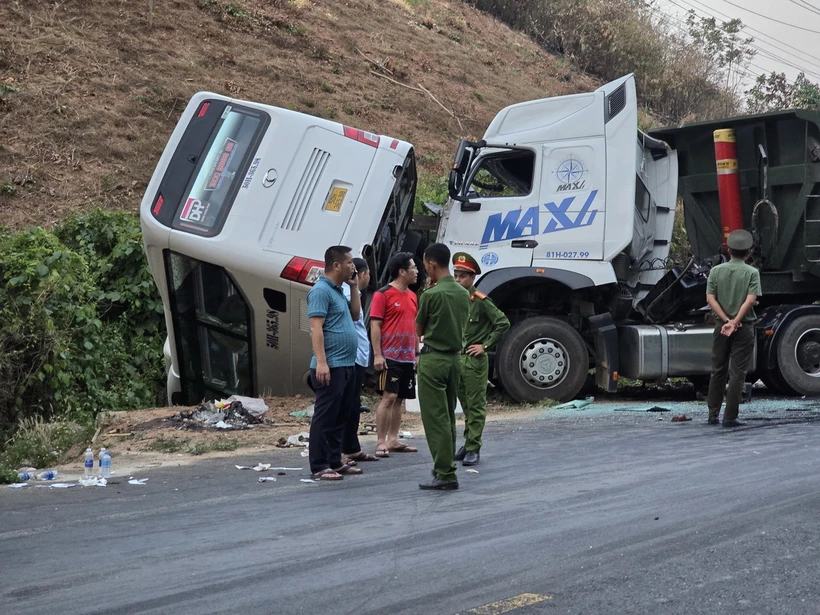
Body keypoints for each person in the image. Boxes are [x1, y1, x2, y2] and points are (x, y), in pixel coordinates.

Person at [415, 243, 470, 490]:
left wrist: (426, 294)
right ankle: (445, 466)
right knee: (448, 416)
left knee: (435, 418)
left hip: (433, 359)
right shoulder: (462, 292)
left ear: (431, 264)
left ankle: (445, 473)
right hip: (455, 360)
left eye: (425, 263)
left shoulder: (430, 295)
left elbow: (418, 330)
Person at [306, 245, 363, 480]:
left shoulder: (339, 290)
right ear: (336, 265)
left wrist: (355, 287)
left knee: (342, 415)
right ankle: (319, 466)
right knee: (325, 416)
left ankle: (334, 461)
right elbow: (315, 327)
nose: (353, 266)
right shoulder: (321, 290)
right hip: (331, 364)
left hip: (347, 364)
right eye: (349, 262)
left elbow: (356, 315)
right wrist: (321, 362)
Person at [451, 252, 510, 466]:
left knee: (476, 405)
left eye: (463, 276)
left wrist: (484, 346)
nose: (458, 280)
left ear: (472, 278)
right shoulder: (454, 299)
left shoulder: (481, 301)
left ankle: (474, 447)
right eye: (456, 275)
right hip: (457, 359)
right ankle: (468, 443)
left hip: (474, 361)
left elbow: (503, 323)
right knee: (465, 404)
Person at [705, 229, 762, 428]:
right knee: (738, 372)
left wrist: (726, 321)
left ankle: (713, 414)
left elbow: (710, 299)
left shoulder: (715, 271)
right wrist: (736, 321)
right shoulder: (752, 273)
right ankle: (730, 417)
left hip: (721, 326)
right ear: (748, 253)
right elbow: (751, 300)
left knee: (718, 369)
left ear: (728, 250)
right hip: (744, 327)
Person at [370, 252, 420, 458]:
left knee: (400, 399)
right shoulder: (383, 294)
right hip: (390, 356)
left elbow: (415, 326)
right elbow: (375, 324)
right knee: (388, 397)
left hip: (408, 356)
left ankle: (393, 439)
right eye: (413, 268)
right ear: (402, 271)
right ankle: (380, 441)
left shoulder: (412, 296)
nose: (417, 271)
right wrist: (377, 355)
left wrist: (416, 353)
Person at [341, 258, 380, 464]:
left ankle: (352, 448)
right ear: (362, 274)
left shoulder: (354, 293)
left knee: (354, 405)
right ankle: (344, 450)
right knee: (347, 405)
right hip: (351, 358)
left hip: (359, 358)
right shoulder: (347, 294)